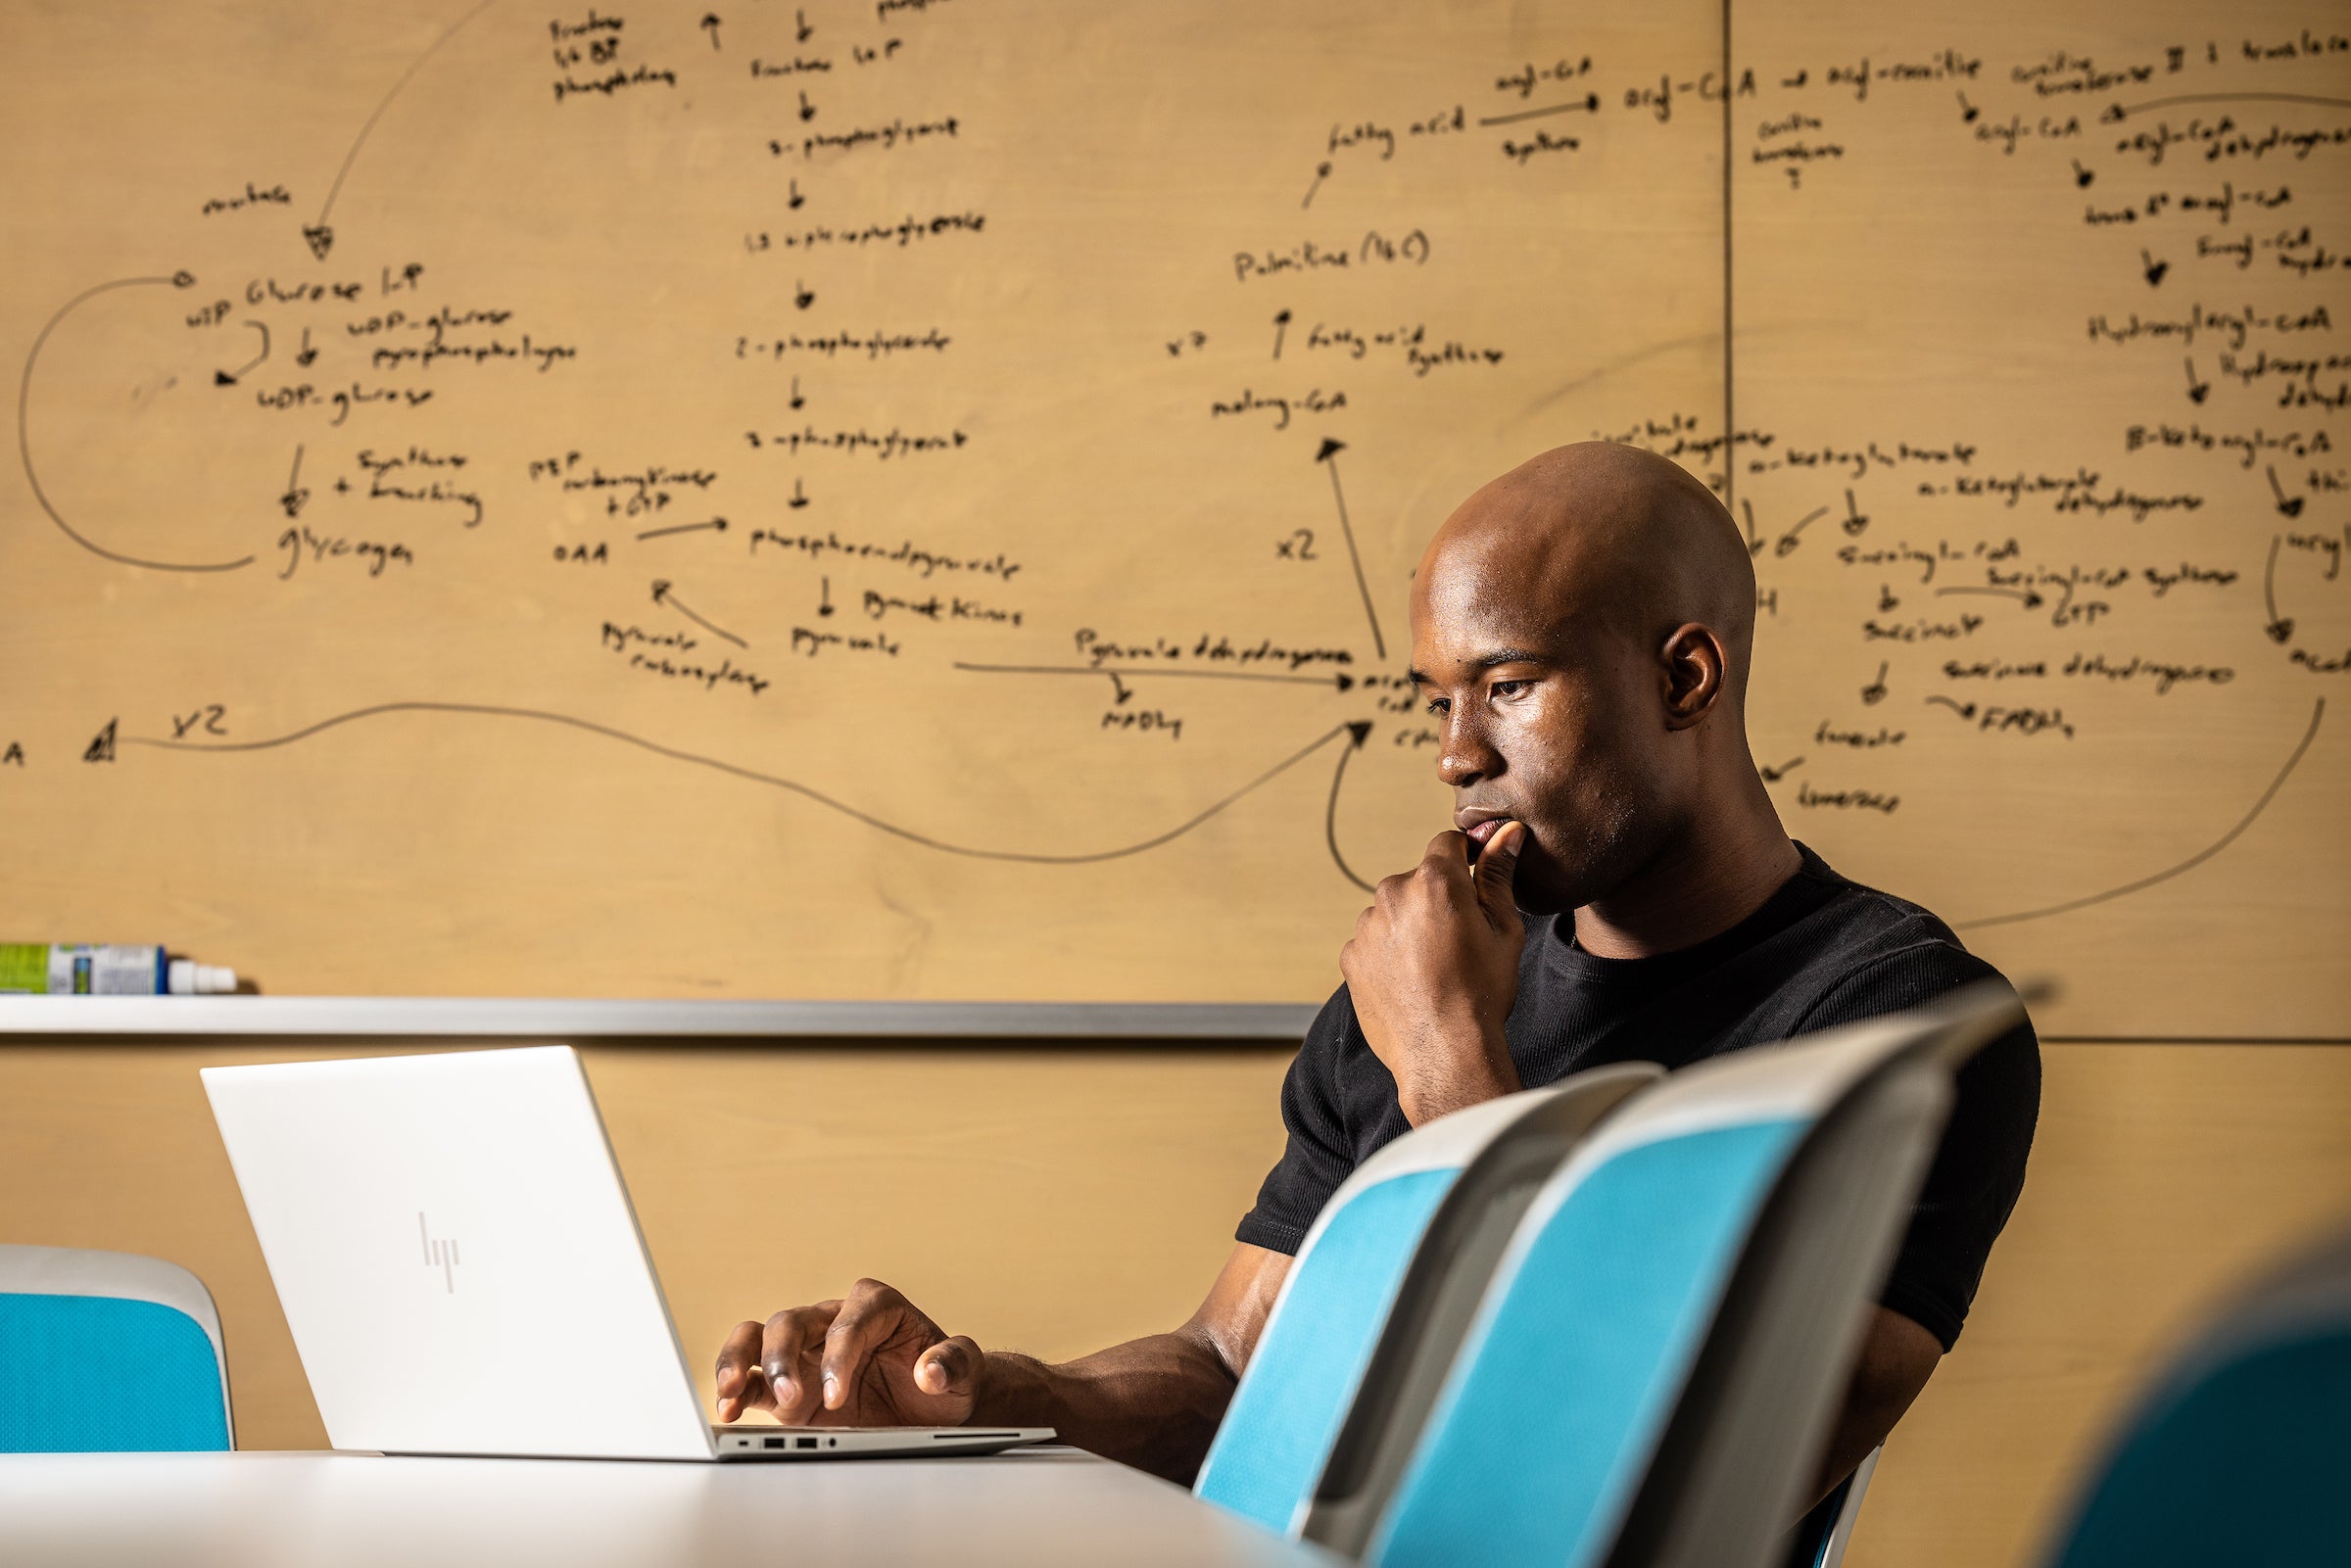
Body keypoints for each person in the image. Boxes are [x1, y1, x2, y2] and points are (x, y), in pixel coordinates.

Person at [713, 442, 2041, 1501]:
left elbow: (1668, 1467)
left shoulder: (1902, 1025)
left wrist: (1456, 1064)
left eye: (1509, 685)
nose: (1457, 753)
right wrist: (995, 1396)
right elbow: (1234, 1367)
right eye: (1437, 699)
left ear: (1684, 677)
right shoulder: (1415, 992)